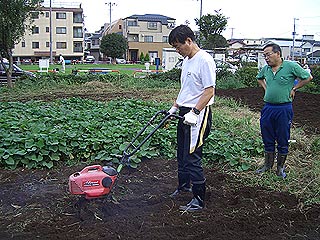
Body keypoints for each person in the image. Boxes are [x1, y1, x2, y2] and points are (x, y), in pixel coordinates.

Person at [167, 25, 216, 212]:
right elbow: (185, 89)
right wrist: (175, 107)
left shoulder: (204, 60)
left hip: (199, 113)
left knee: (192, 155)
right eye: (175, 48)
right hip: (184, 110)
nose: (177, 51)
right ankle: (183, 186)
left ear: (189, 41)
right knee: (182, 152)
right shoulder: (187, 61)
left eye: (178, 46)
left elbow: (209, 91)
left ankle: (198, 198)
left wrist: (195, 112)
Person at [256, 43, 313, 178]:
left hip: (283, 108)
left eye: (268, 54)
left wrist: (294, 88)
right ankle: (267, 165)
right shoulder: (266, 69)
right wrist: (266, 88)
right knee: (267, 136)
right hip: (268, 107)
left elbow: (308, 77)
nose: (266, 58)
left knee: (282, 137)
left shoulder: (290, 66)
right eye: (264, 56)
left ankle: (280, 168)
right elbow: (259, 78)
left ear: (278, 54)